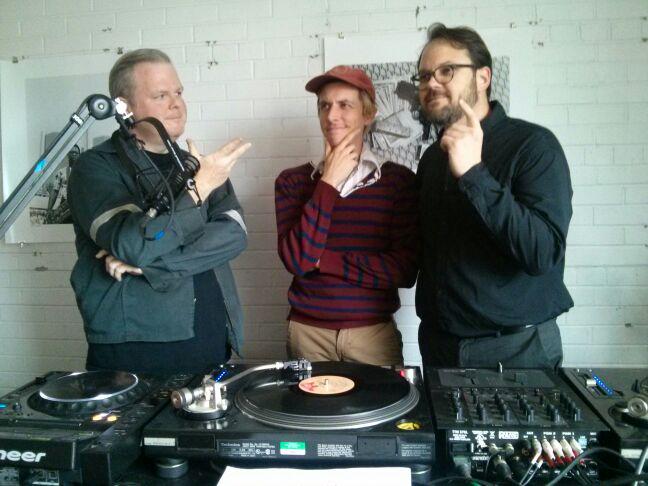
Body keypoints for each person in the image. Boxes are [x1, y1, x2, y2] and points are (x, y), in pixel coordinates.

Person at [67, 48, 251, 374]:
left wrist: (157, 266)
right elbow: (132, 244)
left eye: (178, 92)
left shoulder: (197, 164)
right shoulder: (95, 168)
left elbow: (234, 235)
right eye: (160, 95)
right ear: (123, 107)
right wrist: (198, 191)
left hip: (210, 340)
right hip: (136, 349)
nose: (176, 103)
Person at [414, 24, 573, 369]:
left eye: (446, 71)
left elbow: (542, 252)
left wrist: (474, 174)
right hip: (439, 347)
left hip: (516, 350)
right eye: (425, 76)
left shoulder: (534, 146)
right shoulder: (431, 159)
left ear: (483, 77)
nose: (431, 83)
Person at [274, 65, 419, 366]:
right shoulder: (292, 182)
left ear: (368, 115)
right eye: (324, 105)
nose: (331, 115)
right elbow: (298, 260)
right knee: (309, 414)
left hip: (372, 336)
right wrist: (327, 184)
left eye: (344, 105)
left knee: (383, 413)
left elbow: (403, 270)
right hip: (307, 334)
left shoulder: (397, 181)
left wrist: (323, 260)